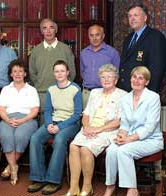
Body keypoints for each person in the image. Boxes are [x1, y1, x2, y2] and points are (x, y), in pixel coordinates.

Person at [61, 64, 127, 196]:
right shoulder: (94, 93)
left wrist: (97, 129)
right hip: (88, 128)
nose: (106, 80)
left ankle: (87, 187)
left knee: (86, 149)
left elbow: (118, 121)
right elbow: (86, 114)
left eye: (109, 77)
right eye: (103, 77)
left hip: (107, 130)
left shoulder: (123, 95)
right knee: (74, 146)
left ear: (116, 79)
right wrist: (86, 127)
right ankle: (73, 188)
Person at [104, 66, 163, 196]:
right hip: (130, 138)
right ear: (130, 79)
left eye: (140, 78)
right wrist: (121, 135)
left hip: (151, 140)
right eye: (134, 77)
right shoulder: (125, 98)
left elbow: (150, 127)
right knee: (112, 149)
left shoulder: (153, 97)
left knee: (124, 151)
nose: (136, 80)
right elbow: (124, 123)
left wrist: (129, 139)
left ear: (146, 82)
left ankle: (132, 190)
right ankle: (110, 185)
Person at [27, 60, 82, 195]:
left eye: (62, 71)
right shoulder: (51, 89)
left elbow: (77, 114)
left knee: (60, 139)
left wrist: (60, 127)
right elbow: (47, 110)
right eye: (57, 71)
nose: (60, 73)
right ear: (54, 73)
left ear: (68, 72)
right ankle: (39, 178)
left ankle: (53, 180)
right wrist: (49, 123)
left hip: (70, 124)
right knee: (35, 138)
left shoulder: (75, 89)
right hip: (53, 122)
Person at [0, 59, 40, 185]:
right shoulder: (6, 89)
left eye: (20, 71)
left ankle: (10, 167)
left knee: (20, 136)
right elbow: (1, 108)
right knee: (6, 135)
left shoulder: (31, 90)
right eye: (14, 71)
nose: (17, 74)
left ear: (25, 73)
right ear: (10, 74)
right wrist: (8, 120)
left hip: (27, 119)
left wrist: (22, 120)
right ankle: (14, 169)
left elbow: (35, 110)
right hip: (7, 118)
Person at [29, 18, 76, 117]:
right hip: (42, 94)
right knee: (43, 126)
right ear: (42, 31)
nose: (48, 31)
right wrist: (40, 85)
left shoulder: (66, 49)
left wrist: (64, 88)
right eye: (45, 28)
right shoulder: (35, 51)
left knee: (61, 125)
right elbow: (32, 73)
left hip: (62, 93)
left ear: (56, 30)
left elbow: (72, 72)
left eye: (51, 28)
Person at [118, 3, 166, 93]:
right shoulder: (128, 39)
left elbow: (157, 70)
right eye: (130, 16)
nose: (132, 19)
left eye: (136, 15)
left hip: (144, 94)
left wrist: (150, 95)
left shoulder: (155, 37)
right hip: (126, 93)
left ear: (145, 18)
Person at [80, 24, 120, 108]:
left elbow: (117, 74)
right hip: (87, 94)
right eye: (91, 35)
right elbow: (82, 72)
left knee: (104, 119)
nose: (94, 38)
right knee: (86, 119)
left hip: (105, 93)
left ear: (103, 36)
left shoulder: (112, 53)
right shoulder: (84, 53)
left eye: (97, 35)